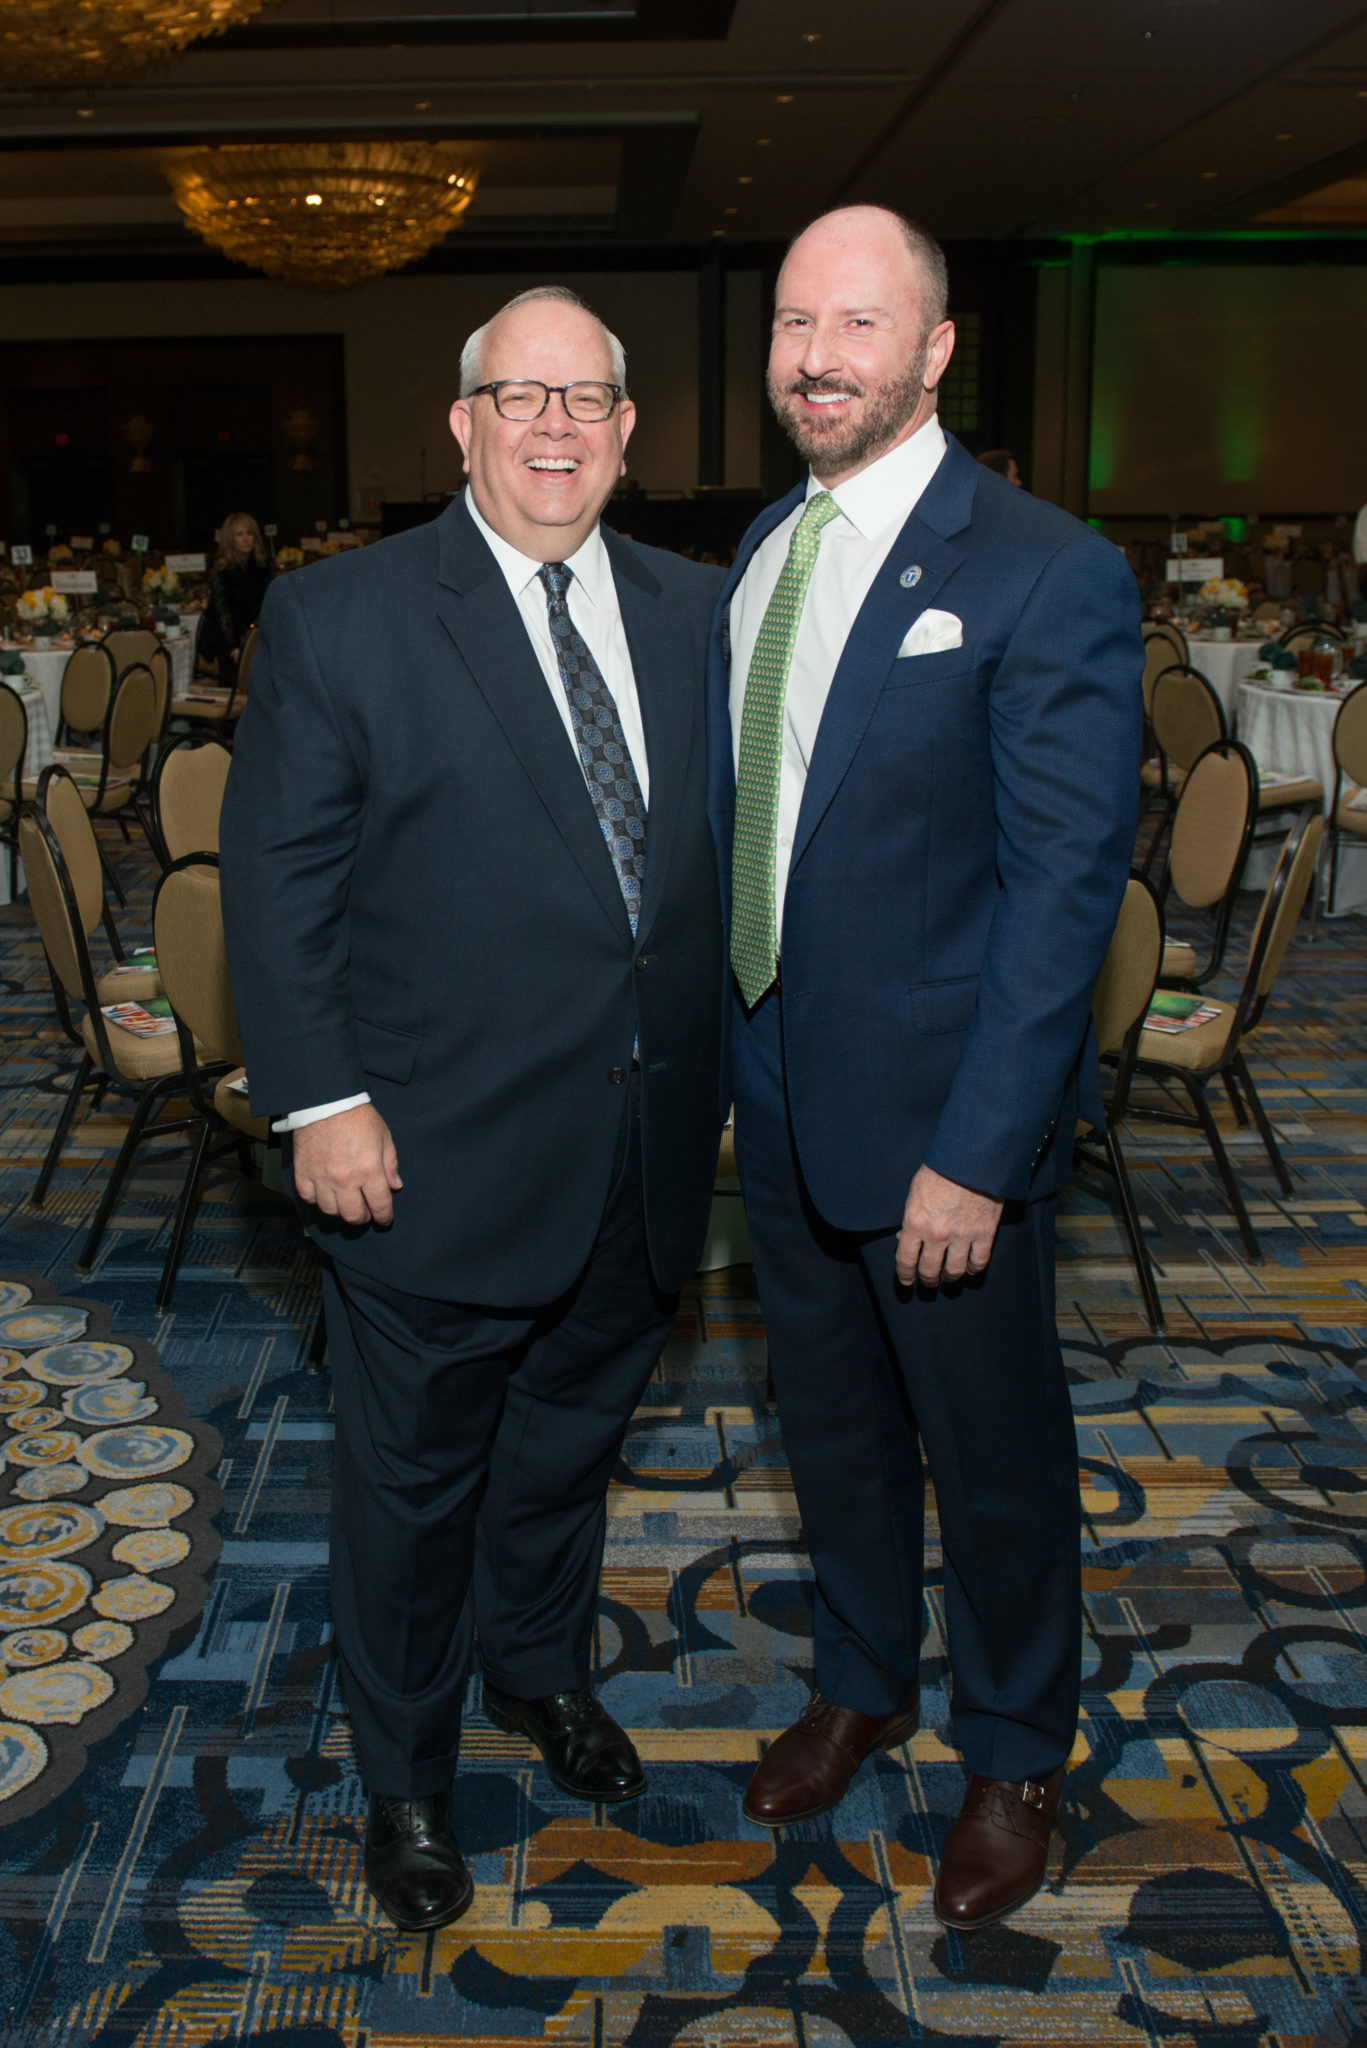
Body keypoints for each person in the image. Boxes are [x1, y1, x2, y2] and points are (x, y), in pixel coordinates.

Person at [220, 287, 724, 1933]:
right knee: (413, 1492)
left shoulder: (698, 612)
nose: (557, 425)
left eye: (588, 397)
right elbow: (279, 882)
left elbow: (703, 888)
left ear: (628, 430)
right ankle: (406, 1774)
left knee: (567, 1454)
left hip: (641, 1155)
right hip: (425, 1156)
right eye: (522, 395)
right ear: (463, 423)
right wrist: (321, 1098)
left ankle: (539, 1669)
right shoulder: (344, 614)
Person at [706, 207, 1140, 1927]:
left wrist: (976, 1149)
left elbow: (1060, 899)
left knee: (999, 1460)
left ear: (934, 348)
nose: (814, 355)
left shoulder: (1043, 566)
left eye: (857, 324)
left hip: (947, 1136)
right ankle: (863, 1669)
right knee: (831, 1437)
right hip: (783, 1100)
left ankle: (1017, 1741)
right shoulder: (760, 547)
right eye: (793, 322)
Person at [203, 512, 271, 683]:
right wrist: (234, 646)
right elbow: (223, 612)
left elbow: (266, 604)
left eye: (249, 533)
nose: (246, 539)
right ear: (230, 539)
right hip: (226, 635)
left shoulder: (263, 564)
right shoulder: (221, 568)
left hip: (255, 632)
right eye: (239, 534)